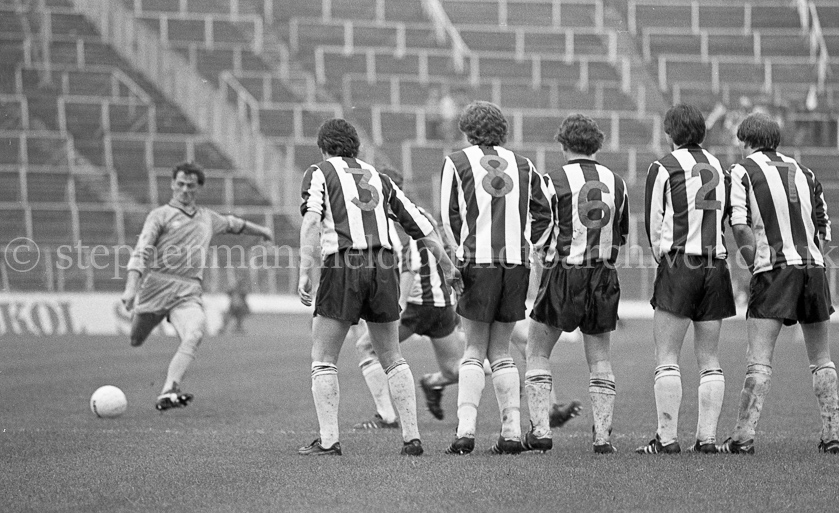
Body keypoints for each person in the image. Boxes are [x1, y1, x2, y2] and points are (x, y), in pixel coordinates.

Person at [297, 119, 459, 456]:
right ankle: (411, 439)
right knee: (391, 356)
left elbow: (312, 220)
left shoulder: (320, 171)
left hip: (344, 263)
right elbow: (421, 225)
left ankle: (329, 440)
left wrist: (304, 271)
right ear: (356, 147)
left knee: (324, 356)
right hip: (385, 265)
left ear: (324, 147)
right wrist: (447, 266)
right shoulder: (379, 177)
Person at [719, 112, 839, 455]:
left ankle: (743, 437)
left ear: (747, 141)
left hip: (773, 269)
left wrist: (754, 261)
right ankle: (832, 434)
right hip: (813, 268)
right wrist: (809, 256)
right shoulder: (805, 171)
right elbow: (823, 230)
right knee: (822, 358)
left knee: (758, 359)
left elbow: (740, 225)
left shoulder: (742, 171)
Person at [440, 101, 553, 455]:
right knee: (502, 350)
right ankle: (509, 433)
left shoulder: (456, 161)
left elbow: (448, 216)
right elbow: (545, 213)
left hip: (477, 260)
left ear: (467, 130)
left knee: (473, 348)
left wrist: (459, 254)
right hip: (515, 263)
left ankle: (465, 432)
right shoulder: (524, 165)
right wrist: (531, 245)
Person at [121, 161, 273, 410]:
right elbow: (141, 250)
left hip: (188, 290)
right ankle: (157, 321)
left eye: (190, 186)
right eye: (179, 184)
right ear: (172, 184)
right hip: (156, 286)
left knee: (194, 334)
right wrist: (131, 287)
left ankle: (169, 389)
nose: (184, 190)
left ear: (198, 188)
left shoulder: (207, 218)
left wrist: (263, 230)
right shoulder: (159, 216)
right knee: (136, 339)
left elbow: (234, 224)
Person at [523, 114, 628, 454]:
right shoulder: (617, 182)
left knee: (537, 350)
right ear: (596, 144)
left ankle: (540, 430)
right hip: (602, 273)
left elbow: (538, 236)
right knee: (599, 357)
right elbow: (622, 234)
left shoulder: (551, 179)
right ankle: (602, 438)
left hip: (564, 271)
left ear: (563, 143)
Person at [638, 104, 736, 454]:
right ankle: (707, 439)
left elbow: (654, 221)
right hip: (716, 265)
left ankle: (666, 439)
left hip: (680, 263)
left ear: (670, 133)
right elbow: (723, 216)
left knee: (667, 355)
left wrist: (662, 260)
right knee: (709, 357)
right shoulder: (718, 166)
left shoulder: (663, 166)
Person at [349, 167, 464, 428]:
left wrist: (398, 306)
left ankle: (387, 416)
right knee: (453, 370)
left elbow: (410, 264)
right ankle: (502, 369)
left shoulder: (390, 218)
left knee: (366, 347)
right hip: (441, 305)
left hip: (413, 306)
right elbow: (444, 249)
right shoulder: (421, 214)